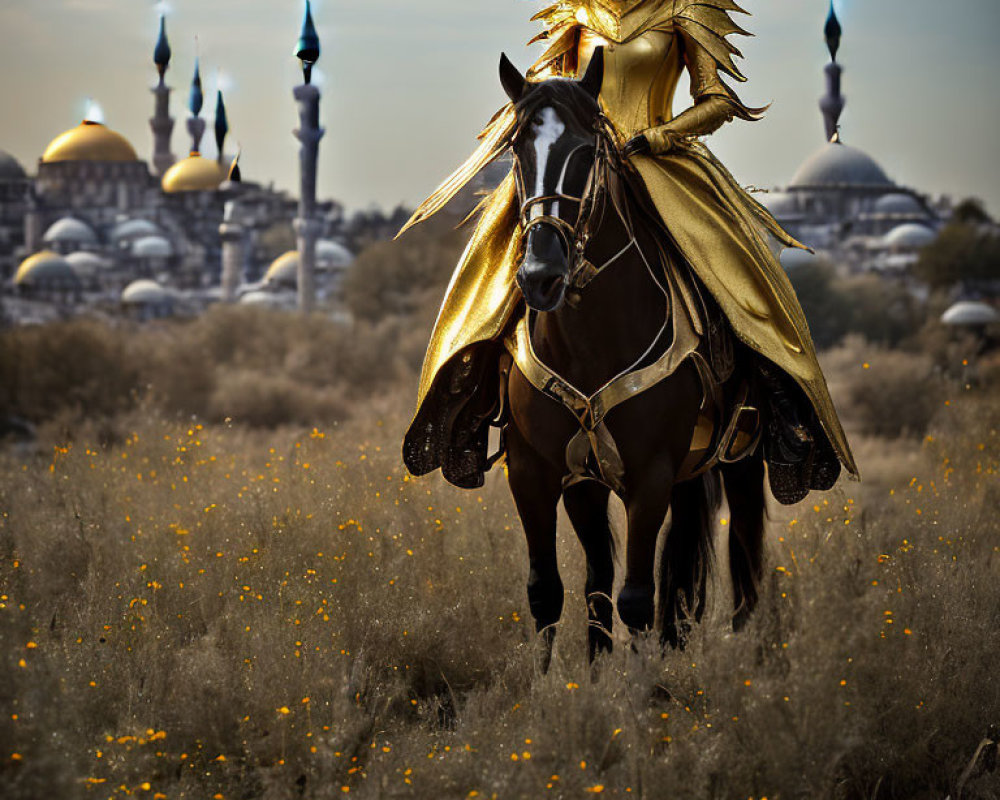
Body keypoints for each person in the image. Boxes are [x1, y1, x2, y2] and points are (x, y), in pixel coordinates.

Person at [399, 0, 858, 502]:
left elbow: (717, 101)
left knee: (739, 269)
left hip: (658, 159)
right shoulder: (578, 14)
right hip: (580, 161)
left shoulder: (685, 9)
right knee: (502, 256)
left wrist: (660, 135)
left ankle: (779, 407)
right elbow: (550, 93)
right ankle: (472, 402)